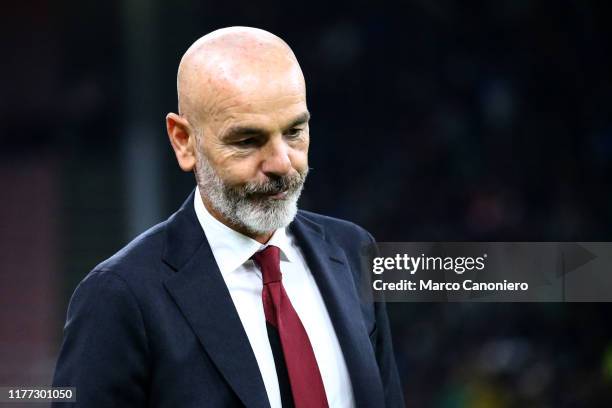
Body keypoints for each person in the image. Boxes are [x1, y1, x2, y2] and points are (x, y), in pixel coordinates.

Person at [52, 26, 404, 408]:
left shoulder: (354, 252)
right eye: (248, 141)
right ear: (183, 141)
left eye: (294, 132)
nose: (281, 163)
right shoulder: (119, 296)